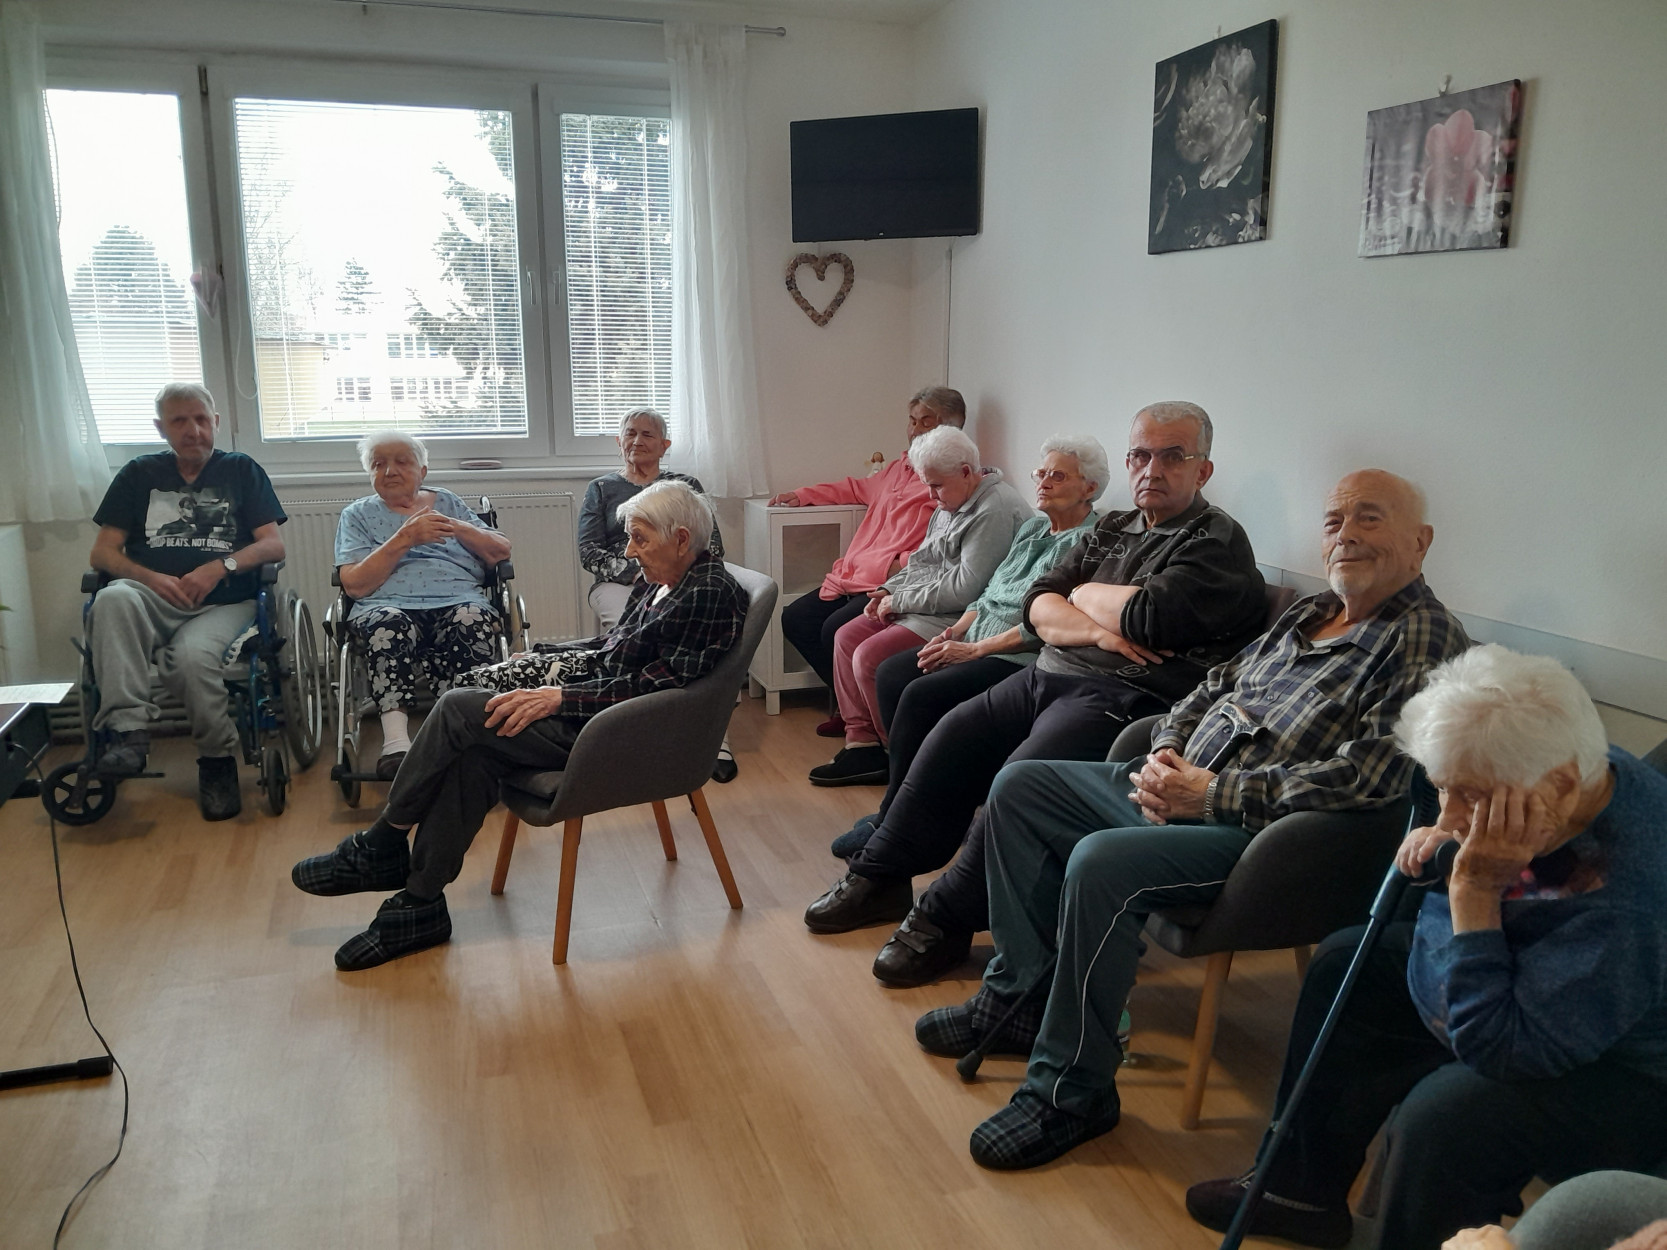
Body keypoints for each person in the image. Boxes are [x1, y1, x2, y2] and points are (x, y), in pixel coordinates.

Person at [930, 469, 1468, 1172]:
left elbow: (1369, 778)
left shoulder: (1422, 638)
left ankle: (1072, 1091)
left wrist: (1211, 795)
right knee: (1021, 788)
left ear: (1420, 542)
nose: (1346, 536)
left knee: (1100, 862)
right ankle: (1018, 996)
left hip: (1260, 839)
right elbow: (1214, 684)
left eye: (1369, 518)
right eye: (1334, 522)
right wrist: (1165, 751)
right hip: (1180, 785)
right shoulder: (1311, 611)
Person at [1186, 646, 1667, 1250]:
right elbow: (1453, 946)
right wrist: (1460, 839)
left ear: (1563, 783)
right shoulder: (1559, 769)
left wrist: (1470, 887)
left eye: (1471, 795)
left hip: (1622, 1068)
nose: (1449, 817)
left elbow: (1501, 1048)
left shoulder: (1633, 893)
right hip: (1527, 979)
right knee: (1348, 965)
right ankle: (1296, 1191)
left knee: (1447, 1119)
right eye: (1444, 789)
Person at [805, 403, 1267, 991]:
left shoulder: (1216, 540)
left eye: (1172, 456)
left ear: (1202, 470)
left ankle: (945, 917)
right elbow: (1036, 602)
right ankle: (881, 874)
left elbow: (1147, 617)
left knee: (1016, 781)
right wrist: (1097, 620)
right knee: (952, 735)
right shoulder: (1114, 527)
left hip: (1122, 696)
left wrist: (1081, 595)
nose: (1153, 469)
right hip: (1050, 671)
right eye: (1141, 455)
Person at [291, 480, 748, 971]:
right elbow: (612, 650)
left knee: (458, 708)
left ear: (681, 539)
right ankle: (420, 904)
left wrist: (559, 698)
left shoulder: (709, 592)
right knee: (475, 754)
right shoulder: (661, 579)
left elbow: (659, 690)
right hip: (597, 712)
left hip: (621, 735)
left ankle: (382, 843)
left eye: (640, 539)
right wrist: (544, 658)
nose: (629, 552)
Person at [819, 435, 1106, 826]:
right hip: (974, 634)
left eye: (1058, 476)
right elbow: (986, 595)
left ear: (1090, 488)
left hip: (1013, 653)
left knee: (917, 692)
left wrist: (975, 649)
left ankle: (904, 817)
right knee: (891, 673)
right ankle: (902, 795)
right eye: (1041, 473)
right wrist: (953, 633)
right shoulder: (1034, 529)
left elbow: (1043, 622)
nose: (1043, 482)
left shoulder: (1089, 542)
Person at [86, 382, 287, 820]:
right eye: (180, 420)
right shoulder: (138, 474)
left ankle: (216, 761)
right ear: (161, 428)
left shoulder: (240, 470)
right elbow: (102, 554)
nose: (193, 430)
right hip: (154, 597)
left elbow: (273, 545)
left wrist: (220, 567)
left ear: (215, 422)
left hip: (225, 602)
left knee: (191, 660)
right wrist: (150, 578)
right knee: (111, 599)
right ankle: (129, 733)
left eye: (200, 419)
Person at [809, 425, 1032, 786]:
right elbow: (921, 562)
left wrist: (899, 600)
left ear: (966, 472)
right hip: (924, 604)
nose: (930, 494)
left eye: (936, 485)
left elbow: (966, 589)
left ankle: (899, 754)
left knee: (869, 656)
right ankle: (861, 743)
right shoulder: (949, 501)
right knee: (846, 637)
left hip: (957, 615)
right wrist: (887, 589)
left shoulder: (995, 509)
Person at [771, 386, 958, 735]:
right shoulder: (899, 468)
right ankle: (850, 707)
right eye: (912, 420)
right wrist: (802, 495)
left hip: (891, 583)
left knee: (834, 629)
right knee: (796, 618)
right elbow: (856, 488)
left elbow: (946, 542)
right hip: (853, 576)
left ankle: (863, 721)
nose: (915, 429)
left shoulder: (947, 479)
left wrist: (899, 565)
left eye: (926, 421)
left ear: (949, 427)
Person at [335, 430, 512, 779]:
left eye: (402, 462)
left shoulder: (447, 502)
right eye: (378, 464)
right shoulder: (356, 515)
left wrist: (457, 526)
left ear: (423, 471)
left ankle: (467, 738)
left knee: (471, 618)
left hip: (457, 599)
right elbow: (354, 584)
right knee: (387, 623)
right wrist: (404, 538)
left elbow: (500, 551)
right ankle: (396, 744)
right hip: (387, 604)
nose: (390, 471)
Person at [578, 406, 735, 781]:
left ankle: (716, 739)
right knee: (629, 635)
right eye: (630, 433)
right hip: (620, 582)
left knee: (699, 639)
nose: (638, 440)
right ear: (619, 441)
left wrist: (669, 573)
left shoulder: (685, 485)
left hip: (679, 578)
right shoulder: (601, 489)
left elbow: (711, 545)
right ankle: (635, 733)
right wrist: (640, 572)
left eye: (648, 434)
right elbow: (589, 552)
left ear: (665, 445)